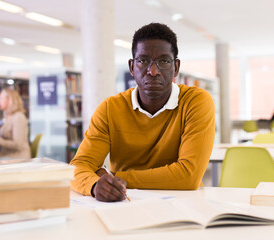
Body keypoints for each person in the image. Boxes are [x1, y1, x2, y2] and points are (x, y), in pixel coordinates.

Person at [70, 23, 215, 202]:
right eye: (143, 60)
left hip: (183, 203)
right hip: (124, 204)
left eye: (164, 61)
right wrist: (94, 186)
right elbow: (79, 166)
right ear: (132, 67)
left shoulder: (195, 101)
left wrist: (118, 177)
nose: (153, 71)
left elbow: (189, 176)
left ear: (176, 67)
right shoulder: (110, 109)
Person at [0, 88, 31, 159]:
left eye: (1, 98)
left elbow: (17, 145)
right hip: (7, 155)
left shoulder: (18, 117)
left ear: (10, 99)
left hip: (17, 157)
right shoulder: (9, 116)